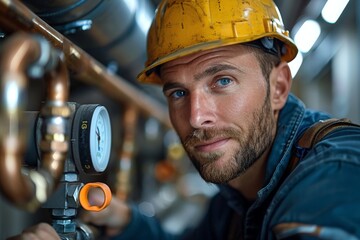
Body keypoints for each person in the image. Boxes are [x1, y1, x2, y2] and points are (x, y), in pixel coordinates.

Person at [9, 0, 360, 239]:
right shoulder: (235, 196)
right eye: (178, 93)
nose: (195, 117)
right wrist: (127, 222)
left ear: (279, 86)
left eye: (222, 81)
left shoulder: (333, 173)